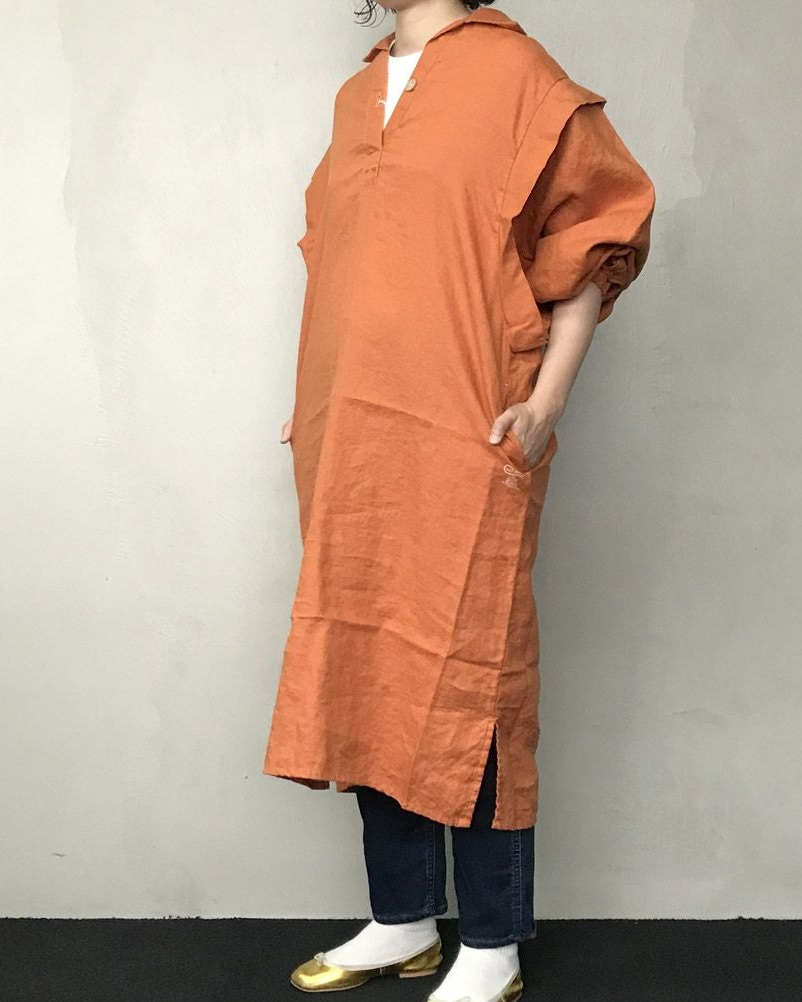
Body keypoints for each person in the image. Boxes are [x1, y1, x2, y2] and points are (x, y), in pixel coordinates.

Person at [263, 2, 655, 999]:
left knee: (473, 667)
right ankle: (403, 921)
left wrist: (545, 404)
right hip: (352, 436)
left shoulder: (518, 76)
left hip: (465, 427)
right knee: (371, 663)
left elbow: (592, 238)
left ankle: (491, 941)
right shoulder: (357, 96)